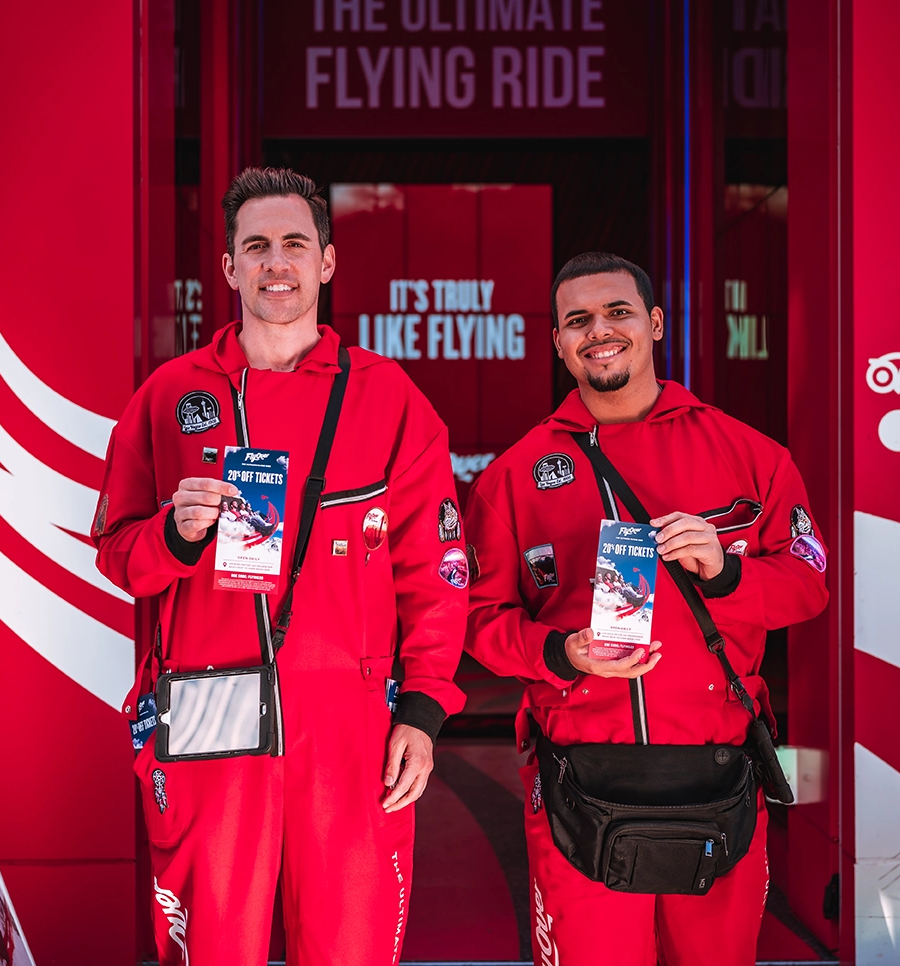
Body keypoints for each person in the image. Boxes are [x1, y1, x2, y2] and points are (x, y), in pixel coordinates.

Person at [93, 166, 467, 966]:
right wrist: (176, 535)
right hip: (206, 710)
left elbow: (436, 575)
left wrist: (426, 711)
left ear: (327, 262)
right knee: (213, 951)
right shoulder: (168, 398)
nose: (276, 263)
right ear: (228, 268)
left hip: (350, 724)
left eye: (295, 244)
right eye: (255, 246)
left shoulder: (389, 398)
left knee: (349, 950)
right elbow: (121, 558)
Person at [463, 252, 829, 964]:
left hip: (718, 773)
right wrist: (559, 653)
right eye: (578, 321)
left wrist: (724, 574)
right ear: (559, 342)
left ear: (655, 323)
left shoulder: (751, 456)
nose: (599, 332)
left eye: (618, 312)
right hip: (580, 780)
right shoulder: (515, 477)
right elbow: (479, 623)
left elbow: (808, 584)